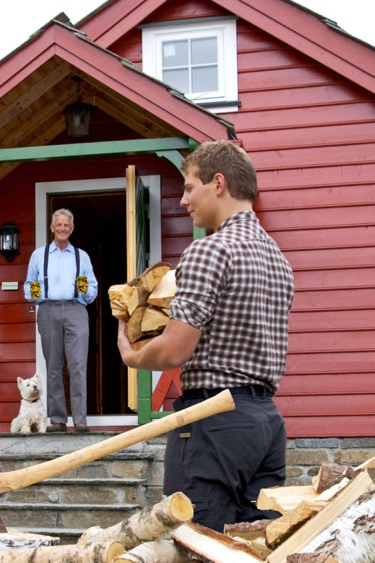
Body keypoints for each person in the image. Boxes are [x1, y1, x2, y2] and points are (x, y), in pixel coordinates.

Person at [117, 140, 294, 532]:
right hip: (265, 423)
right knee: (255, 550)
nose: (183, 200)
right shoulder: (279, 260)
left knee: (194, 547)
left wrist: (133, 357)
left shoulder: (209, 251)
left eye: (188, 187)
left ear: (218, 183)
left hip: (213, 420)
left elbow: (176, 349)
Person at [25, 208, 98, 433]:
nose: (63, 229)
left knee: (77, 365)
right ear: (52, 228)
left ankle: (80, 419)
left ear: (72, 229)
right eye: (59, 225)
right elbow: (29, 285)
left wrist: (85, 292)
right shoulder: (39, 255)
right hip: (48, 309)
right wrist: (35, 294)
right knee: (54, 367)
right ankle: (57, 420)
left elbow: (93, 288)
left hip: (76, 309)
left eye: (67, 225)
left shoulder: (81, 256)